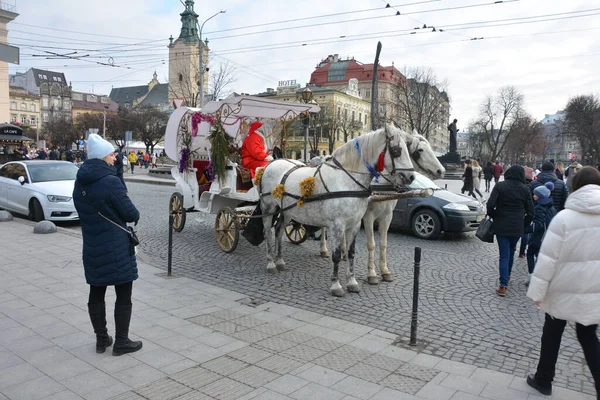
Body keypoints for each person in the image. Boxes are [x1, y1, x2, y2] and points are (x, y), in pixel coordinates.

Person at [526, 167, 600, 397]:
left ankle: (543, 379)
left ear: (574, 186)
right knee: (588, 337)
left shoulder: (564, 218)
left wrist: (537, 293)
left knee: (552, 334)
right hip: (593, 289)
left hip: (561, 288)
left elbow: (547, 260)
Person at [72, 134, 142, 357]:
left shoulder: (80, 180)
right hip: (116, 246)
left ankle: (101, 339)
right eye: (112, 154)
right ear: (104, 156)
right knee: (123, 293)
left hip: (92, 245)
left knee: (96, 291)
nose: (115, 158)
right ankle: (122, 341)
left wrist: (117, 172)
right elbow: (131, 213)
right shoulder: (110, 181)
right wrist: (118, 176)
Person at [486, 165, 534, 297]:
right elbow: (531, 212)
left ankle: (503, 285)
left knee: (504, 255)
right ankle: (507, 276)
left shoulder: (500, 186)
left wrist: (494, 215)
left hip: (501, 224)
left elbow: (490, 205)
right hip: (517, 226)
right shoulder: (525, 189)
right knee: (511, 252)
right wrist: (524, 224)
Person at [524, 182, 557, 285]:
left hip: (538, 237)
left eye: (535, 194)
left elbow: (538, 224)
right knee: (539, 256)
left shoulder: (539, 207)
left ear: (539, 196)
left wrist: (526, 229)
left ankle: (532, 276)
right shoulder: (550, 206)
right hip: (546, 237)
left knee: (530, 254)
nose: (533, 196)